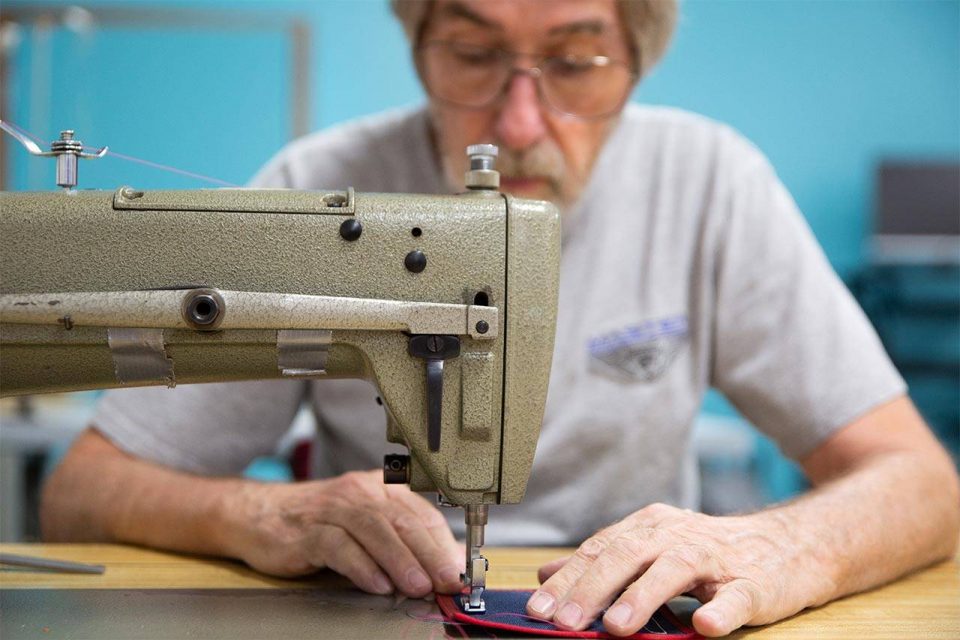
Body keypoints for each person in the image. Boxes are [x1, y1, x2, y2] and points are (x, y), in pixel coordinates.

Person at [41, 1, 959, 637]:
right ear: (420, 48)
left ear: (636, 61)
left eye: (575, 60)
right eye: (475, 57)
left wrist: (778, 540)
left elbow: (922, 484)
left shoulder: (710, 183)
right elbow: (81, 492)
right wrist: (264, 515)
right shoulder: (316, 183)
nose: (519, 123)